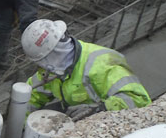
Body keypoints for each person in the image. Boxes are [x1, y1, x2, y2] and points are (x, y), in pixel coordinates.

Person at [21, 19, 151, 120]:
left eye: (41, 62)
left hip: (107, 122)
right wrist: (21, 127)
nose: (40, 67)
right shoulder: (52, 71)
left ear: (52, 55)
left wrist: (99, 110)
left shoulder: (102, 64)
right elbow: (32, 95)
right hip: (76, 115)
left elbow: (138, 100)